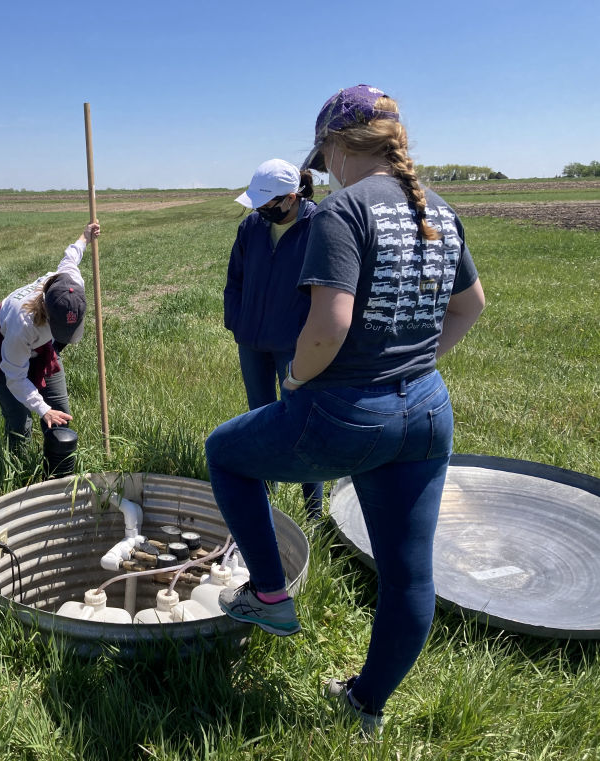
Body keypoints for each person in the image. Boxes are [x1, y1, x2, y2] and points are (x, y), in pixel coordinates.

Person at [206, 85, 485, 734]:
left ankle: (270, 594)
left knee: (226, 452)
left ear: (335, 145)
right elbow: (470, 305)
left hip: (349, 410)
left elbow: (329, 325)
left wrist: (299, 376)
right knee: (408, 574)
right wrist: (415, 362)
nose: (325, 165)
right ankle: (366, 706)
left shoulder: (342, 212)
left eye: (324, 152)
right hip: (426, 413)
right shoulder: (439, 209)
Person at [225, 158, 325, 519]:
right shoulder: (251, 227)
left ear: (292, 197)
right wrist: (237, 321)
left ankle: (314, 511)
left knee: (302, 422)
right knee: (261, 418)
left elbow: (329, 291)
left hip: (295, 345)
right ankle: (268, 494)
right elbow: (234, 279)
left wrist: (310, 337)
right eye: (258, 204)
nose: (261, 210)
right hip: (252, 341)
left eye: (268, 204)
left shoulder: (320, 227)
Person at [0, 222, 100, 476]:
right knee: (21, 422)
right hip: (6, 353)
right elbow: (15, 378)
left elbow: (71, 256)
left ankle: (59, 477)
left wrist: (85, 236)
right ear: (49, 317)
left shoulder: (70, 283)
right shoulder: (23, 325)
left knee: (60, 413)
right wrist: (42, 409)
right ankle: (19, 477)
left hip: (41, 349)